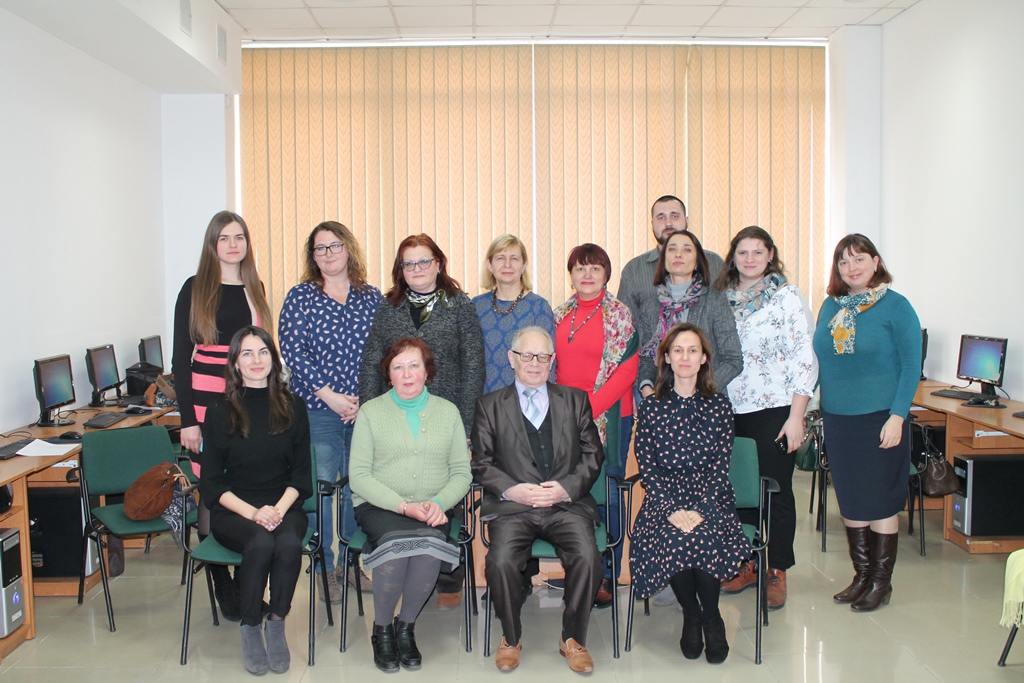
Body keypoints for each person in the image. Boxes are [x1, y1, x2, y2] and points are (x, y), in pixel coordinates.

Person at [358, 233, 485, 609]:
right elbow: (372, 361)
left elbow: (473, 365)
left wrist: (465, 426)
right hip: (396, 416)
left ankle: (445, 578)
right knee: (399, 485)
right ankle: (399, 563)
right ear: (401, 269)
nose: (416, 269)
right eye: (408, 263)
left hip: (445, 417)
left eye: (423, 261)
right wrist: (369, 413)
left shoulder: (459, 304)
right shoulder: (389, 307)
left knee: (443, 493)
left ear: (438, 263)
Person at [472, 326, 605, 674]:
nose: (535, 363)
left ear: (552, 360)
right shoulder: (489, 406)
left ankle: (572, 638)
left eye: (543, 356)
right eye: (527, 355)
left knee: (589, 557)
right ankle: (511, 637)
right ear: (511, 359)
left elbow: (593, 455)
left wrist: (566, 488)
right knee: (500, 561)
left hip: (565, 505)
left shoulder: (575, 400)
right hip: (514, 508)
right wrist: (511, 489)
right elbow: (481, 463)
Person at [629, 323, 750, 665]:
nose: (685, 357)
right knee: (676, 538)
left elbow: (720, 468)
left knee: (702, 535)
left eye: (692, 350)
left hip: (710, 497)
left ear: (703, 359)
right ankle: (692, 614)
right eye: (678, 350)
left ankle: (711, 617)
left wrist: (701, 509)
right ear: (667, 358)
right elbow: (647, 468)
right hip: (664, 500)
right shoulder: (651, 409)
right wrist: (670, 509)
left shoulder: (720, 407)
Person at [812, 234, 921, 613]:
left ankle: (880, 582)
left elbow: (911, 366)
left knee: (880, 500)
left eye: (859, 259)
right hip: (838, 419)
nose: (851, 267)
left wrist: (898, 416)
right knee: (851, 497)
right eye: (843, 262)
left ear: (876, 262)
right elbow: (820, 361)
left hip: (881, 418)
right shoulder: (831, 306)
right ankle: (861, 576)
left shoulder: (896, 306)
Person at [349, 338, 472, 672]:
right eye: (398, 367)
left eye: (414, 365)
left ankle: (405, 627)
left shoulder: (448, 412)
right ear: (388, 375)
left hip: (433, 507)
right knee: (398, 548)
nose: (406, 374)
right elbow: (358, 476)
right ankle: (382, 630)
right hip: (380, 507)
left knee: (428, 548)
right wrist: (403, 506)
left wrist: (440, 502)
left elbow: (462, 472)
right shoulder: (371, 412)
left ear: (427, 371)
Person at [173, 210, 272, 622]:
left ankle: (247, 579)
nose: (233, 245)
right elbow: (180, 359)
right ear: (212, 244)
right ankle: (221, 580)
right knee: (213, 482)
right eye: (224, 238)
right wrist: (188, 420)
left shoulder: (255, 286)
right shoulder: (195, 287)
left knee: (245, 479)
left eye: (239, 237)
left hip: (247, 393)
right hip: (206, 395)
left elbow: (263, 348)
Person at [279, 221, 382, 603]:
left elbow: (382, 352)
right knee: (322, 488)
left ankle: (352, 565)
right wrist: (329, 395)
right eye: (320, 248)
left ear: (348, 249)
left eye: (335, 245)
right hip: (316, 409)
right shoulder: (301, 297)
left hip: (363, 411)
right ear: (313, 256)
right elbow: (292, 351)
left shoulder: (371, 298)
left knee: (357, 487)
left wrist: (363, 399)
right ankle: (323, 568)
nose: (328, 254)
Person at [716, 226, 818, 610]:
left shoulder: (787, 297)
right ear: (733, 256)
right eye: (743, 252)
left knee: (774, 490)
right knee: (739, 490)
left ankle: (776, 569)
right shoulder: (721, 298)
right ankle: (747, 563)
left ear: (770, 255)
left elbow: (804, 357)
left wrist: (797, 416)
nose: (750, 259)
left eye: (757, 252)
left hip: (775, 409)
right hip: (730, 408)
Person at [200, 326, 312, 676]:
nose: (256, 360)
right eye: (246, 353)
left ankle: (276, 624)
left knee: (289, 543)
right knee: (261, 542)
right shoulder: (219, 410)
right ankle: (250, 626)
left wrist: (276, 510)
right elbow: (212, 483)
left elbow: (301, 476)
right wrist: (255, 514)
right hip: (234, 509)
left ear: (273, 358)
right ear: (235, 363)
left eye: (263, 352)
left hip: (284, 505)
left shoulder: (294, 406)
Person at [553, 243, 638, 606]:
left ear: (606, 274)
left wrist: (585, 412)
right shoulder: (559, 315)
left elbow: (627, 372)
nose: (587, 275)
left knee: (608, 496)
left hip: (608, 419)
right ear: (571, 275)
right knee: (573, 497)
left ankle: (607, 574)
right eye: (580, 268)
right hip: (563, 421)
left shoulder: (620, 315)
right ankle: (580, 569)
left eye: (595, 268)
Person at [636, 229, 742, 399]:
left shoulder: (715, 301)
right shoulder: (650, 306)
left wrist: (700, 392)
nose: (678, 254)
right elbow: (647, 358)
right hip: (662, 401)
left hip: (706, 401)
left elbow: (733, 359)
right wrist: (646, 387)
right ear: (663, 260)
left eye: (687, 249)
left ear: (697, 261)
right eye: (672, 249)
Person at [617, 195, 726, 348]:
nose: (668, 223)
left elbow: (727, 322)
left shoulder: (714, 263)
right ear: (652, 224)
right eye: (661, 218)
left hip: (707, 360)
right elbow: (624, 328)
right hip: (652, 360)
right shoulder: (634, 270)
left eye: (674, 216)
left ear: (686, 220)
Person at [473, 233, 555, 394]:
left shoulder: (539, 307)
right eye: (500, 258)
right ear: (489, 265)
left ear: (524, 265)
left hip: (526, 400)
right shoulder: (476, 306)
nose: (507, 264)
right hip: (484, 399)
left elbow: (548, 363)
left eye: (514, 258)